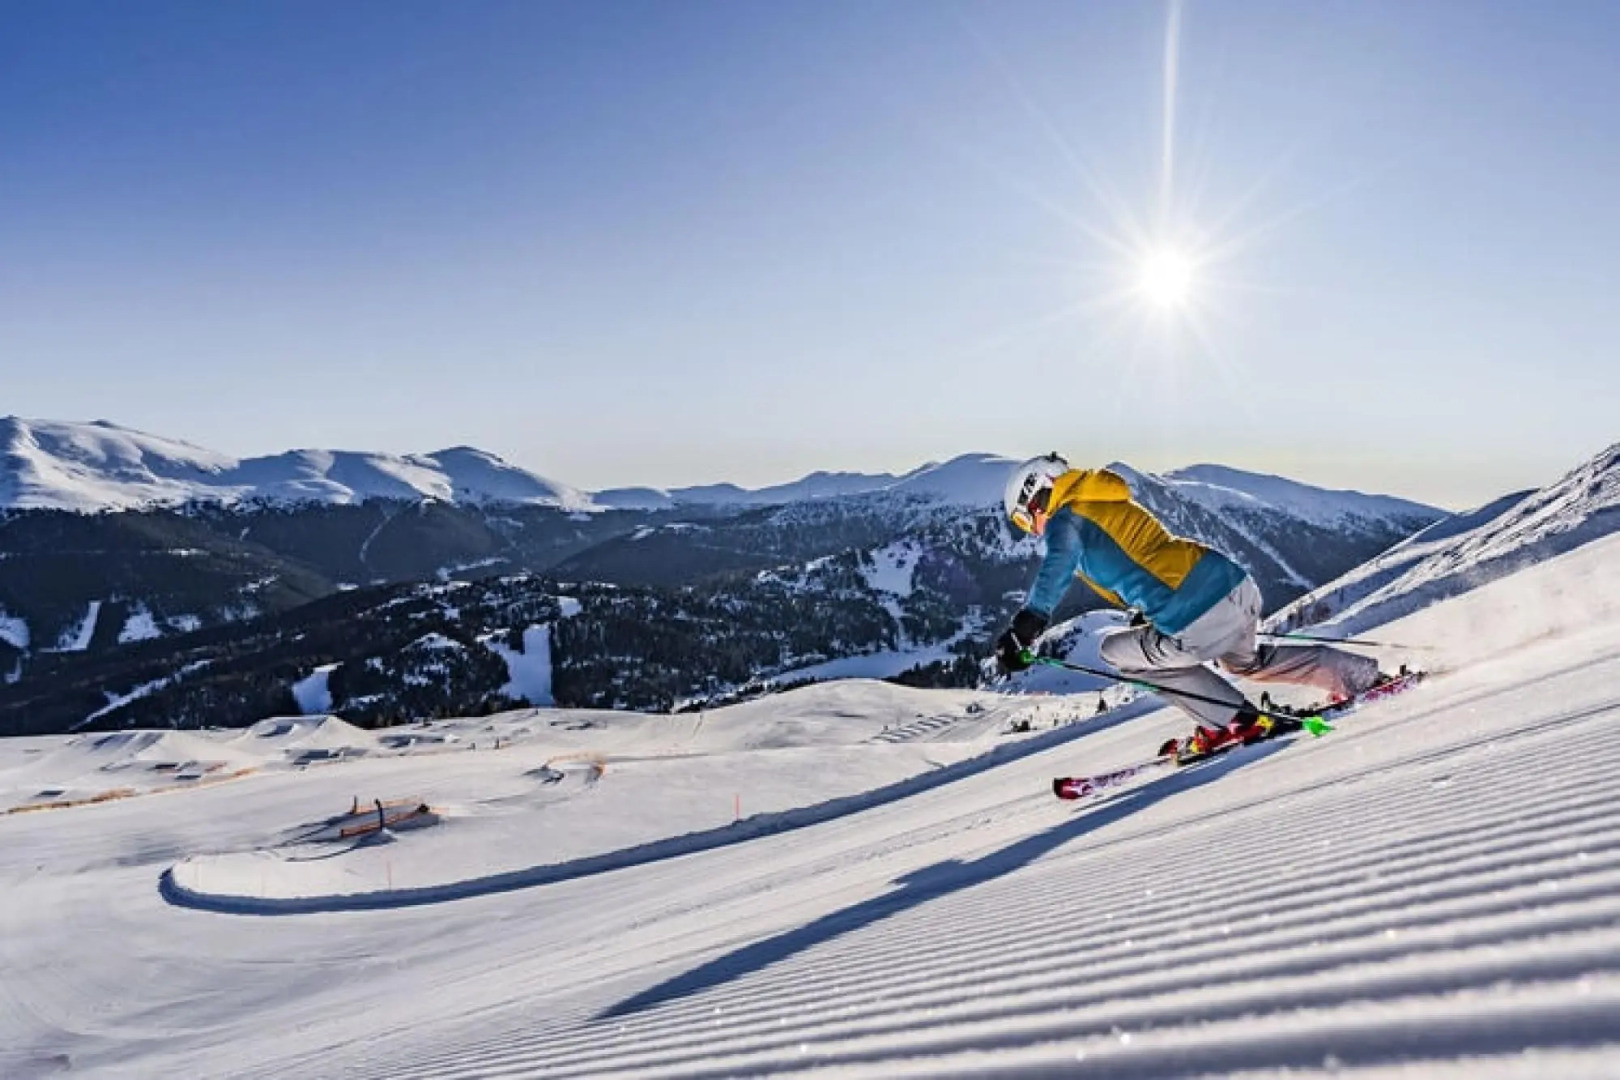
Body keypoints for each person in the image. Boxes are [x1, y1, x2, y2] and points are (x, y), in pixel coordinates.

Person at [993, 453, 1385, 757]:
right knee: (1247, 663)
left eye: (1026, 520)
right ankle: (1356, 675)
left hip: (1192, 610)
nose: (1032, 528)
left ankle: (1235, 720)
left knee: (1115, 652)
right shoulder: (1100, 497)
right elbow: (1139, 557)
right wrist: (1143, 607)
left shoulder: (1067, 518)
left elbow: (1056, 566)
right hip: (1234, 585)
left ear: (1035, 496)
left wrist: (1027, 624)